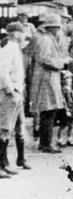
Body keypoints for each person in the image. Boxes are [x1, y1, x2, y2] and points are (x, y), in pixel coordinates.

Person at [32, 14, 70, 153]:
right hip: (46, 79)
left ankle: (44, 142)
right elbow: (44, 59)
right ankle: (46, 144)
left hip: (48, 78)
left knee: (49, 110)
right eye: (58, 27)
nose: (59, 30)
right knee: (48, 111)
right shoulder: (46, 40)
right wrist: (62, 62)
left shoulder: (48, 39)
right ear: (53, 28)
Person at [4, 23, 30, 171]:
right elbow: (3, 72)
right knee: (6, 127)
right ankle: (4, 162)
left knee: (20, 126)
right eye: (21, 33)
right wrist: (10, 90)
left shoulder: (16, 49)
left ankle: (21, 158)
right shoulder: (8, 48)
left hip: (19, 91)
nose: (23, 36)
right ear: (15, 34)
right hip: (12, 92)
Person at [55, 70, 73, 148]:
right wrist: (65, 107)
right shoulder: (63, 89)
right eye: (67, 78)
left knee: (71, 124)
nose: (70, 80)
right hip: (65, 109)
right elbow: (62, 99)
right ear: (63, 80)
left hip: (71, 107)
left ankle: (69, 138)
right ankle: (59, 139)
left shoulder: (70, 88)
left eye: (70, 78)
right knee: (63, 124)